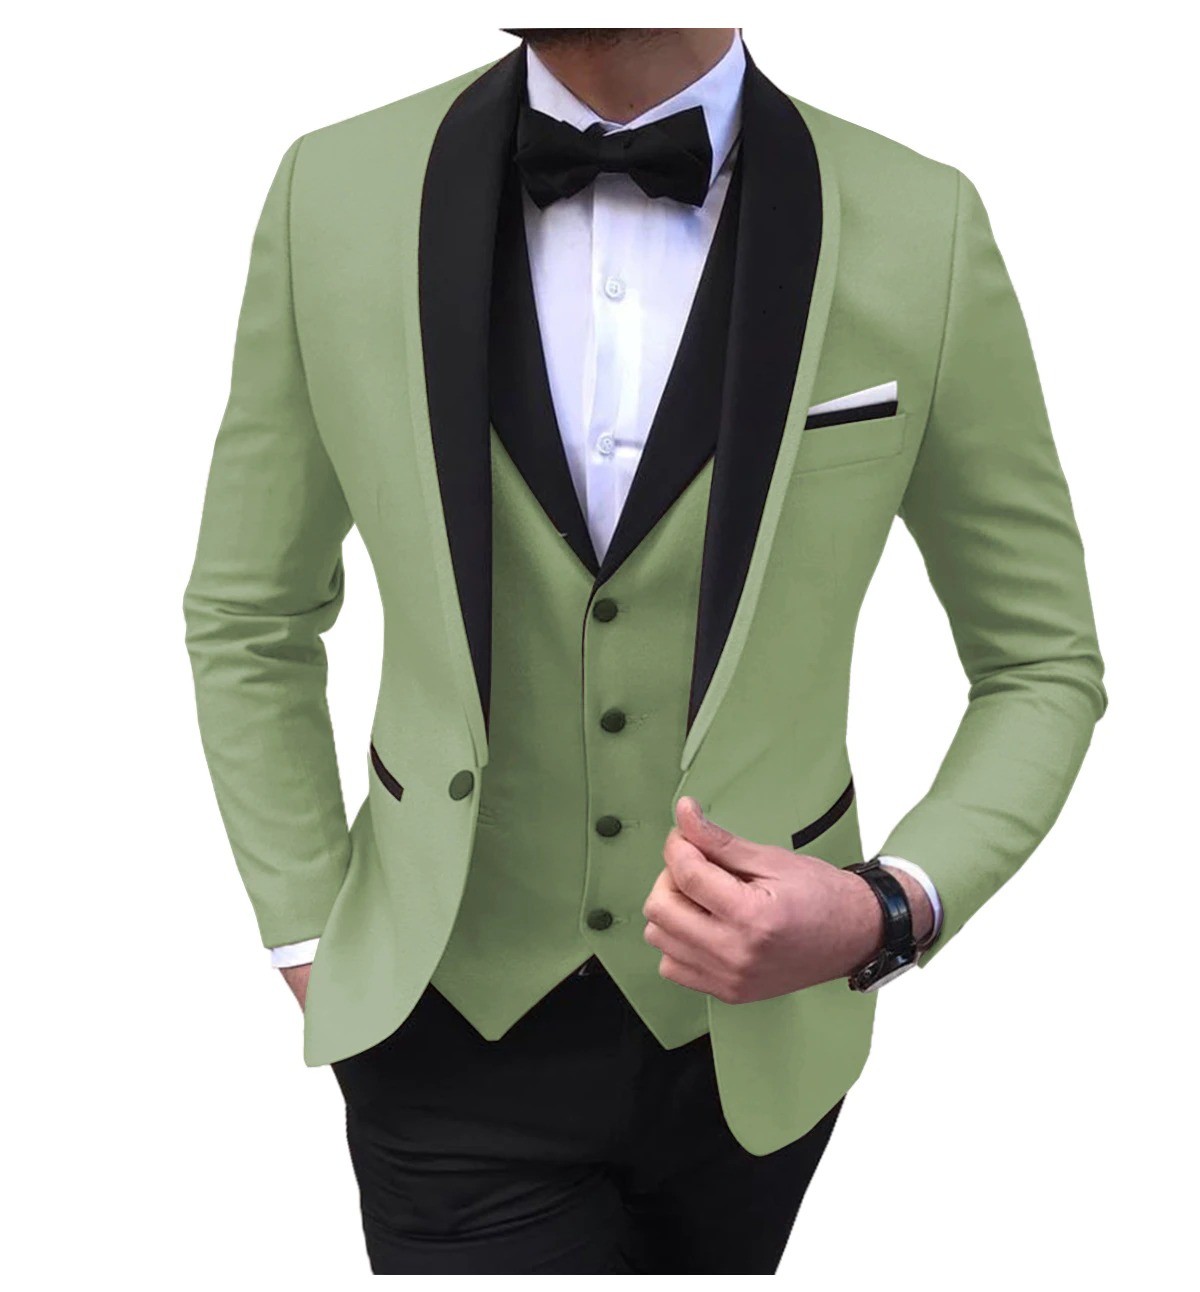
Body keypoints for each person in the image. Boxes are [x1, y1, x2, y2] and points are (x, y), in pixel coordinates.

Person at [182, 26, 1107, 1275]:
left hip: (763, 1049)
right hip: (444, 1014)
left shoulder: (920, 225)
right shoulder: (334, 192)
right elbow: (250, 609)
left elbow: (1041, 657)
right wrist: (306, 931)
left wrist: (886, 905)